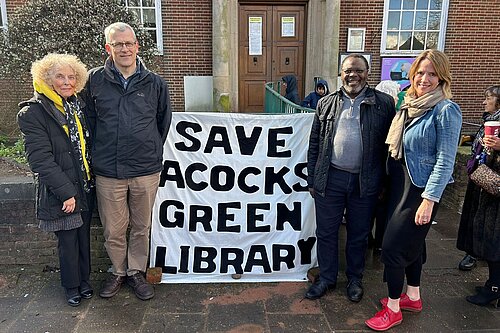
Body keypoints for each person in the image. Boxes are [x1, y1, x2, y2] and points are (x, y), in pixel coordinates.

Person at [365, 49, 462, 331]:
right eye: (420, 72)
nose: (425, 78)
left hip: (419, 190)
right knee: (414, 246)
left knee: (393, 247)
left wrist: (429, 200)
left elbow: (446, 161)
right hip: (399, 185)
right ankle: (413, 296)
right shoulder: (410, 104)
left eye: (432, 74)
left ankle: (393, 309)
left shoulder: (445, 109)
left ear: (442, 78)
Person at [81, 22, 172, 301]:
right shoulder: (93, 81)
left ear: (137, 46)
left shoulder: (155, 83)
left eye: (128, 43)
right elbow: (89, 121)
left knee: (142, 227)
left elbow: (163, 122)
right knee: (113, 229)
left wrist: (151, 149)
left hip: (145, 170)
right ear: (108, 48)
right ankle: (118, 271)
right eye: (117, 44)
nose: (124, 48)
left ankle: (135, 271)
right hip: (109, 171)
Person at [306, 54, 396, 302]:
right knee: (326, 232)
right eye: (347, 70)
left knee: (359, 233)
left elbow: (390, 148)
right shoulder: (326, 103)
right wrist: (312, 179)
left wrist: (384, 183)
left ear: (367, 73)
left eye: (358, 70)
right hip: (330, 178)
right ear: (340, 73)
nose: (352, 75)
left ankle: (355, 278)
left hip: (364, 181)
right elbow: (315, 143)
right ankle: (326, 278)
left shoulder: (384, 104)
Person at [17, 53, 95, 307]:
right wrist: (66, 192)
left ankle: (84, 281)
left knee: (82, 235)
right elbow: (40, 160)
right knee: (68, 241)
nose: (66, 82)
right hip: (62, 190)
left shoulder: (75, 105)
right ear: (46, 79)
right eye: (60, 76)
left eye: (71, 77)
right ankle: (71, 286)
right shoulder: (34, 112)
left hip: (84, 184)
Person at [456, 85, 500, 307]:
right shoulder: (490, 120)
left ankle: (494, 287)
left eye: (488, 98)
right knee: (488, 237)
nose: (484, 102)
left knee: (494, 240)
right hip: (485, 187)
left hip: (495, 190)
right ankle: (494, 283)